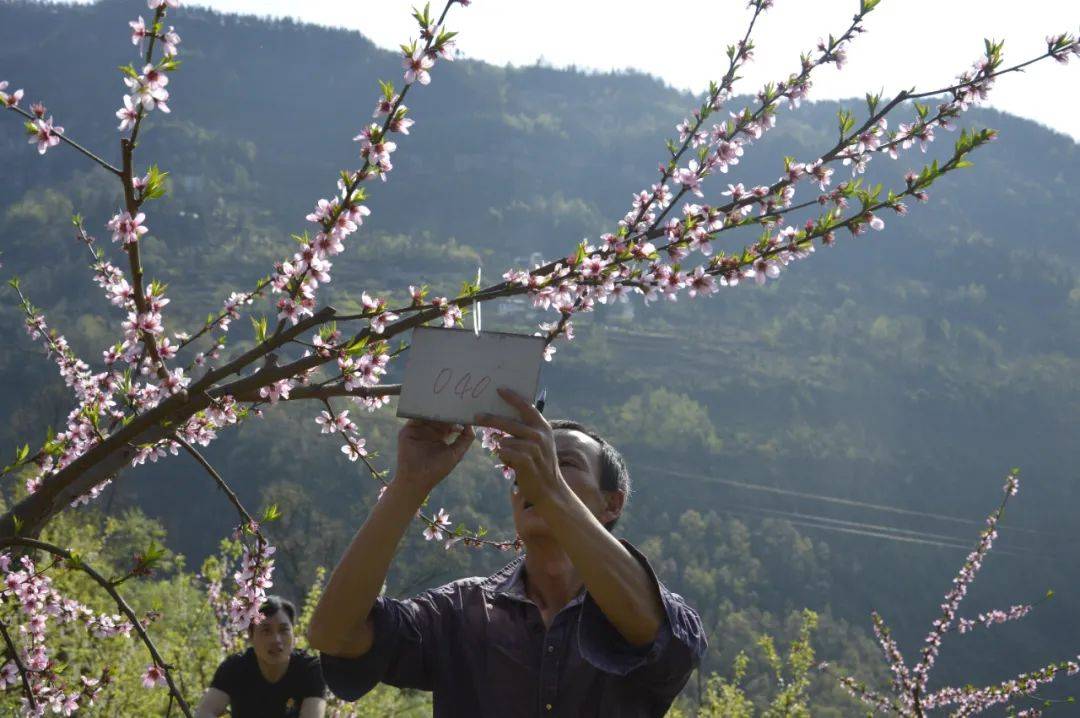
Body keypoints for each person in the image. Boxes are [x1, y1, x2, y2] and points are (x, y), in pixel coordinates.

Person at [308, 387, 706, 717]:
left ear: (612, 504)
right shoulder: (460, 611)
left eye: (563, 462)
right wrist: (409, 483)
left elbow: (654, 632)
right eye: (525, 471)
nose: (534, 475)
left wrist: (550, 488)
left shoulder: (645, 608)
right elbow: (333, 635)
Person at [196, 595, 327, 718]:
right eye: (266, 631)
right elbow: (205, 711)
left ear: (294, 635)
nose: (276, 639)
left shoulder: (310, 669)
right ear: (251, 636)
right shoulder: (235, 667)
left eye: (283, 630)